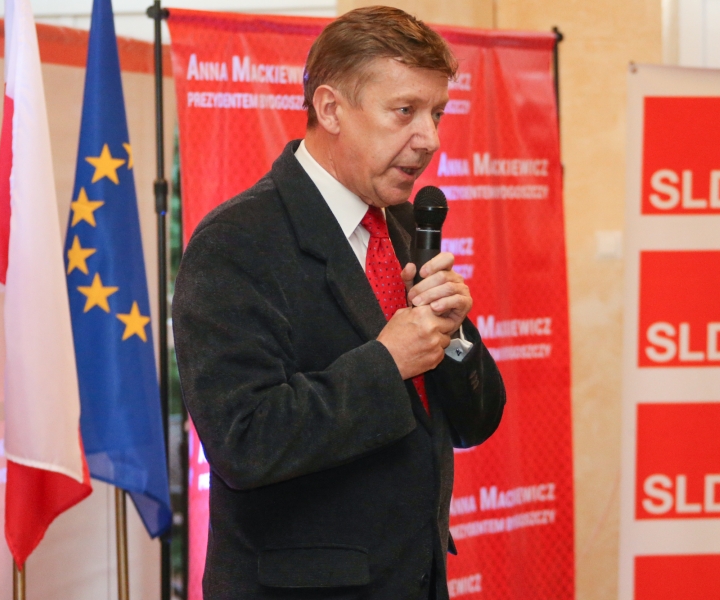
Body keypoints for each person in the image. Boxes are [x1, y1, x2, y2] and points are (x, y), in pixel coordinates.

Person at [172, 6, 506, 599]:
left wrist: (453, 337)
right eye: (405, 111)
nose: (429, 139)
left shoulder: (402, 223)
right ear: (330, 109)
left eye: (436, 113)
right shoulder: (237, 241)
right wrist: (387, 361)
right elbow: (243, 442)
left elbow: (473, 423)